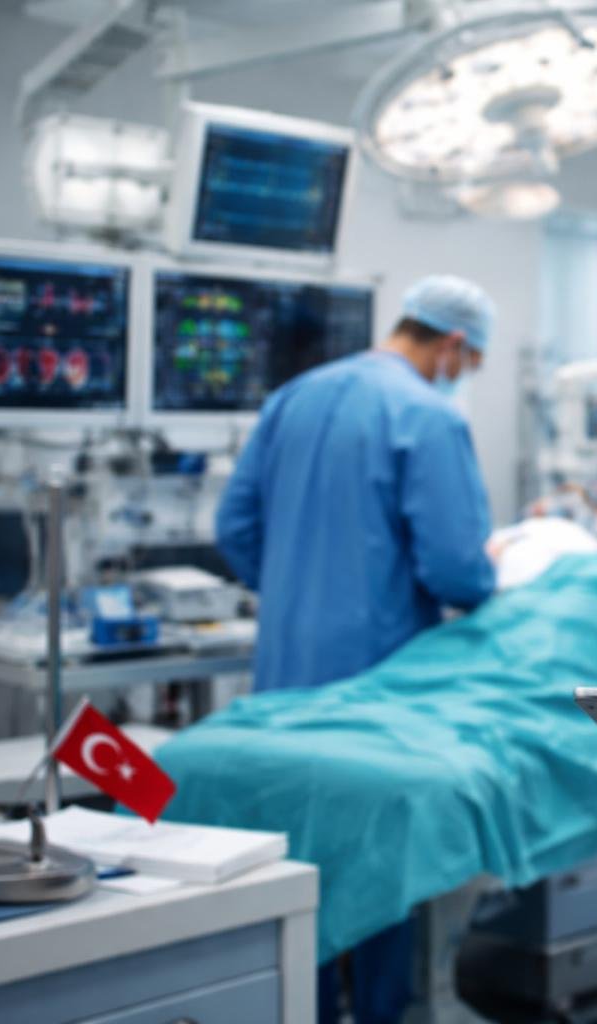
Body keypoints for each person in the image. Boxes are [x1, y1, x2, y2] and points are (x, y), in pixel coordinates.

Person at [215, 274, 498, 1024]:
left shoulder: (293, 398)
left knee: (293, 864)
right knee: (372, 875)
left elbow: (235, 530)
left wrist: (292, 585)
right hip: (380, 685)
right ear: (455, 344)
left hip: (281, 677)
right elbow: (457, 571)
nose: (460, 379)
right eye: (468, 366)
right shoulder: (428, 417)